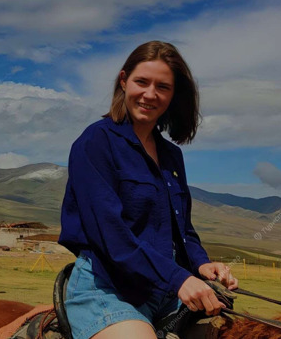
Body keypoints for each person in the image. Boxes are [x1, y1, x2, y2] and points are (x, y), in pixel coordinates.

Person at [58, 41, 238, 339]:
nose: (150, 94)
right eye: (142, 82)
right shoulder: (96, 142)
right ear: (124, 80)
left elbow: (182, 230)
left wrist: (202, 265)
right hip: (107, 288)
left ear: (173, 94)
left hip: (166, 291)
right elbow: (110, 236)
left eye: (163, 87)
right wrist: (179, 278)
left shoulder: (171, 156)